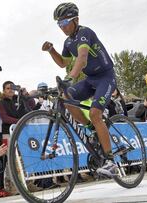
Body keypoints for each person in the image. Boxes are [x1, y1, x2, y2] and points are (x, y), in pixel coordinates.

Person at [42, 2, 118, 178]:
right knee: (65, 96)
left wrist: (70, 78)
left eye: (65, 22)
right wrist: (52, 50)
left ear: (76, 19)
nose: (63, 27)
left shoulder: (85, 32)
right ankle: (91, 129)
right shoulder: (68, 42)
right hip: (90, 79)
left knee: (95, 113)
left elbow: (82, 58)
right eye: (59, 24)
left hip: (105, 78)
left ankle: (110, 161)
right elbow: (63, 63)